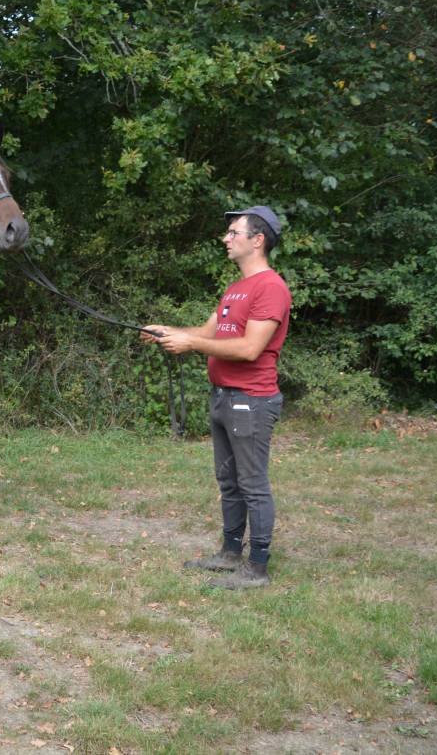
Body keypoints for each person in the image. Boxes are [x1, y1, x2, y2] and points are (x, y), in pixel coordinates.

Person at [142, 206, 291, 589]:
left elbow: (249, 349)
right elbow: (208, 332)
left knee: (252, 483)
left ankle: (257, 568)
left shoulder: (271, 287)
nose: (226, 239)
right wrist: (169, 331)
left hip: (251, 400)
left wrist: (189, 342)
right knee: (228, 480)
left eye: (233, 233)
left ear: (257, 240)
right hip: (223, 397)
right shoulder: (235, 288)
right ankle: (229, 554)